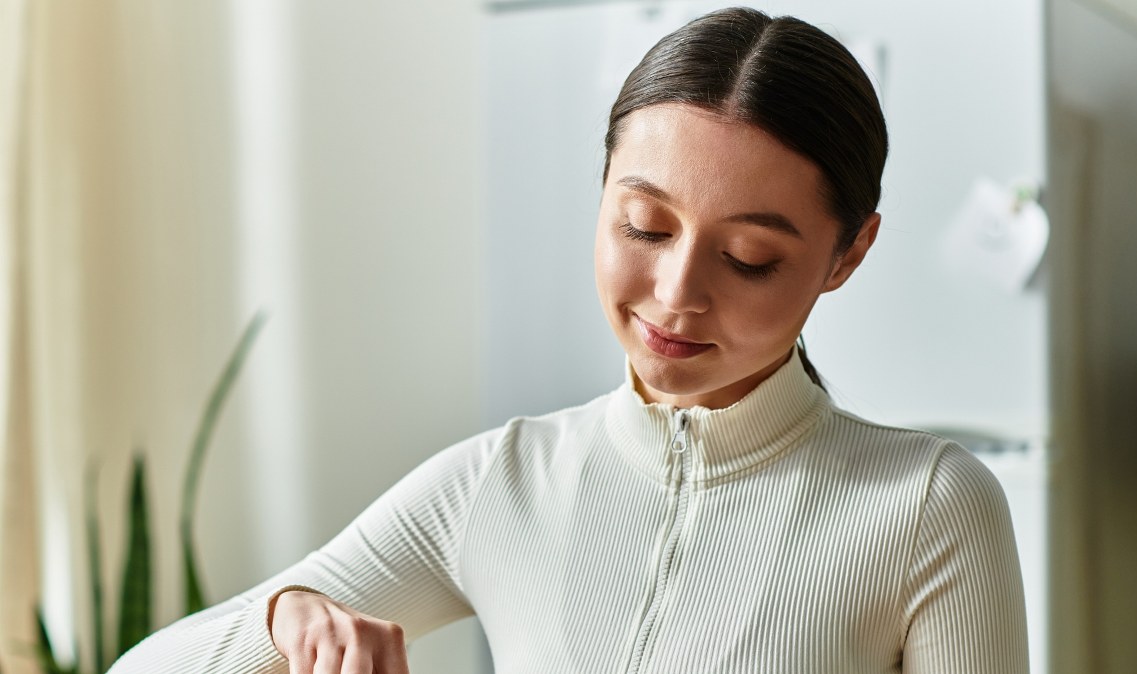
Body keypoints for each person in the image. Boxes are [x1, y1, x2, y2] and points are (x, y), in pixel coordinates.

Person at [110, 7, 1028, 673]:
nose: (676, 294)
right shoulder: (502, 483)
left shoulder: (929, 508)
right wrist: (288, 619)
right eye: (644, 226)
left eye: (748, 258)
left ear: (847, 254)